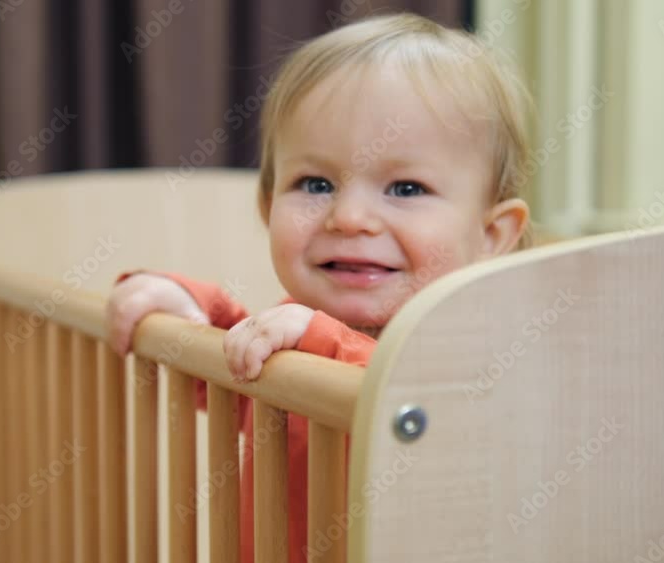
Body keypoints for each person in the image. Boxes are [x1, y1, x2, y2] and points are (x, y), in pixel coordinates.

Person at [106, 12, 534, 563]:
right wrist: (190, 316)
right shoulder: (293, 325)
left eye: (406, 188)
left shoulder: (481, 351)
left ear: (491, 234)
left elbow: (415, 410)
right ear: (268, 207)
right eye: (315, 183)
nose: (349, 217)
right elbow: (231, 378)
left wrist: (322, 340)